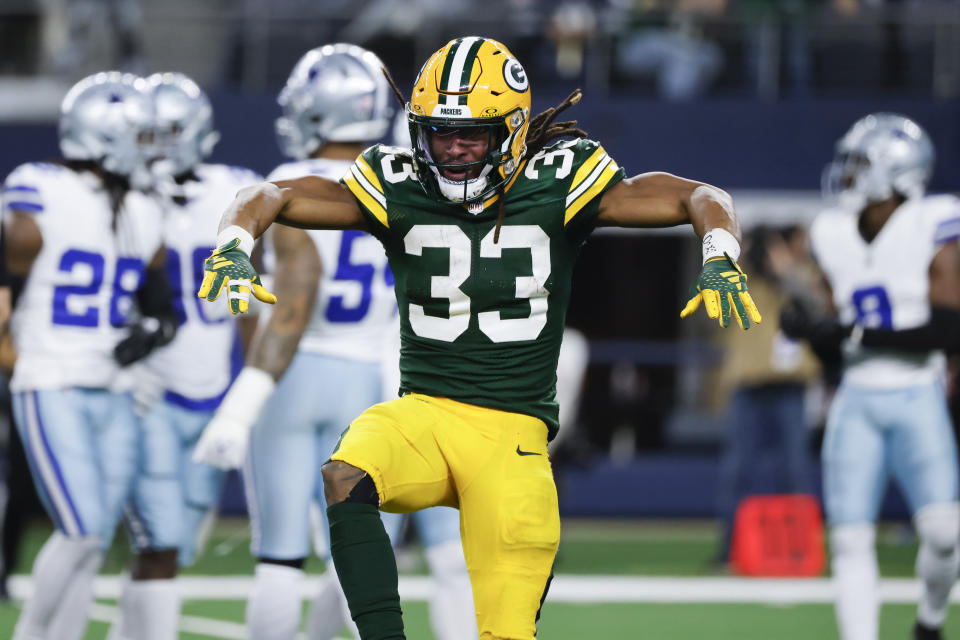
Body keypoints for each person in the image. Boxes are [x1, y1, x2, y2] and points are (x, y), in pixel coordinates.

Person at [196, 36, 761, 640]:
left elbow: (698, 194)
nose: (455, 148)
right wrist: (234, 242)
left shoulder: (559, 181)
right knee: (346, 473)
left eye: (473, 134)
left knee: (505, 630)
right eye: (441, 132)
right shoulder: (398, 182)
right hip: (423, 415)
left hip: (511, 433)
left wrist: (718, 252)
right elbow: (270, 194)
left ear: (512, 131)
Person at [194, 44, 476, 640]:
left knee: (278, 556)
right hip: (378, 381)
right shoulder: (408, 183)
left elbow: (286, 300)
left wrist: (241, 401)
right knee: (355, 547)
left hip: (291, 375)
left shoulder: (287, 187)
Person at [2, 71, 173, 640]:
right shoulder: (40, 186)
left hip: (117, 387)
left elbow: (160, 304)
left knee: (93, 540)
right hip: (52, 377)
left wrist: (152, 328)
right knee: (77, 531)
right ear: (105, 135)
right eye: (141, 135)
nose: (150, 149)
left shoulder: (144, 208)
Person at [781, 113, 960, 640]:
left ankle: (930, 619)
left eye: (860, 162)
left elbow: (951, 329)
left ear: (896, 169)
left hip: (918, 391)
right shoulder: (832, 231)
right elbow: (833, 336)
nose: (849, 172)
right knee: (852, 540)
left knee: (945, 534)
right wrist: (808, 328)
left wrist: (852, 335)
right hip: (855, 399)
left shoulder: (936, 220)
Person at [106, 71, 261, 640]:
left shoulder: (238, 188)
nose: (162, 145)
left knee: (178, 545)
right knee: (161, 542)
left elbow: (249, 303)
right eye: (151, 133)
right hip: (147, 390)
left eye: (171, 130)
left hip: (211, 389)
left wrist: (246, 392)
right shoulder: (123, 196)